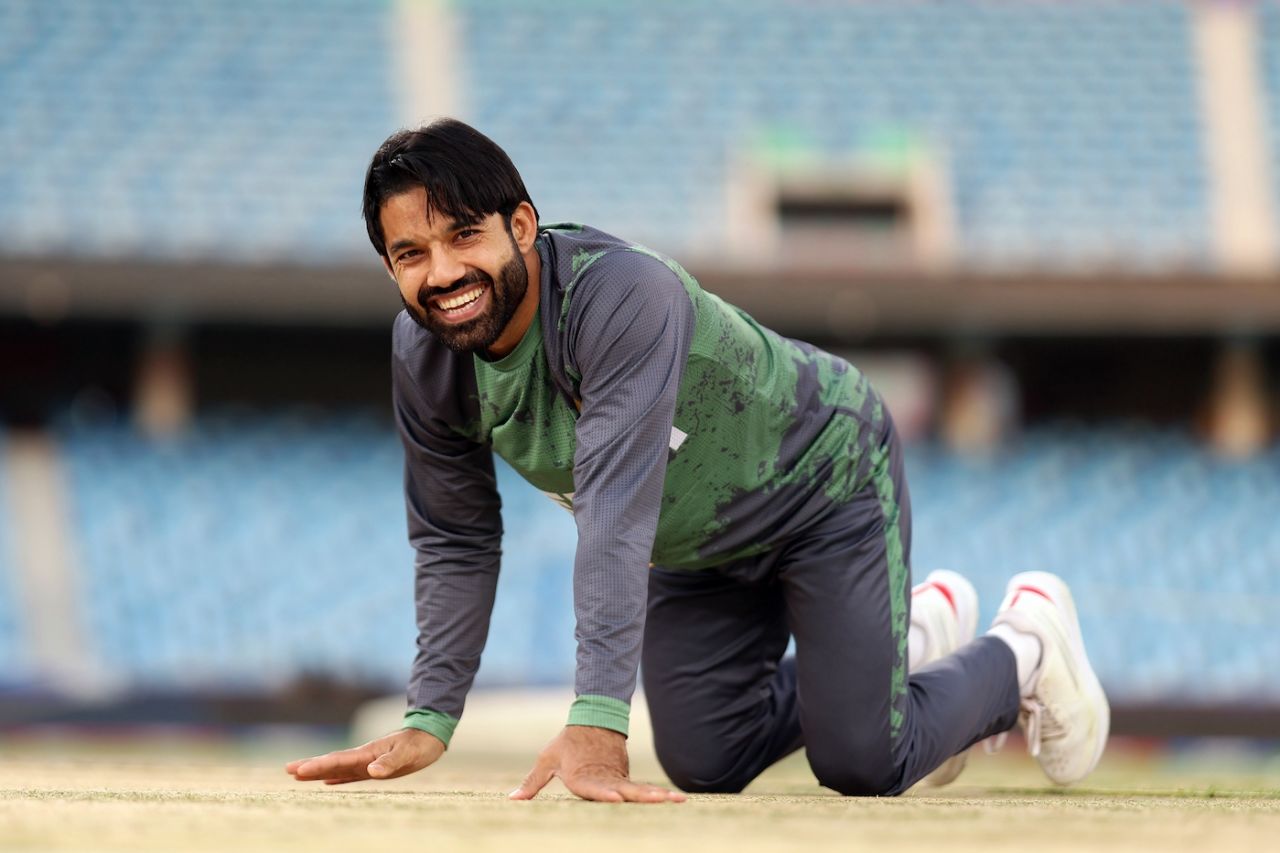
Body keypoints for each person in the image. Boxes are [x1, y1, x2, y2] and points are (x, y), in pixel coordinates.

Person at [285, 119, 1109, 803]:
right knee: (709, 760)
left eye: (464, 235)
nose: (443, 273)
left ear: (523, 228)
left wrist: (598, 720)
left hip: (820, 484)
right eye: (410, 254)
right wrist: (430, 716)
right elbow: (457, 538)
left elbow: (613, 513)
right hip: (691, 545)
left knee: (865, 760)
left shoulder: (620, 298)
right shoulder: (425, 356)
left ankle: (1025, 644)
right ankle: (915, 635)